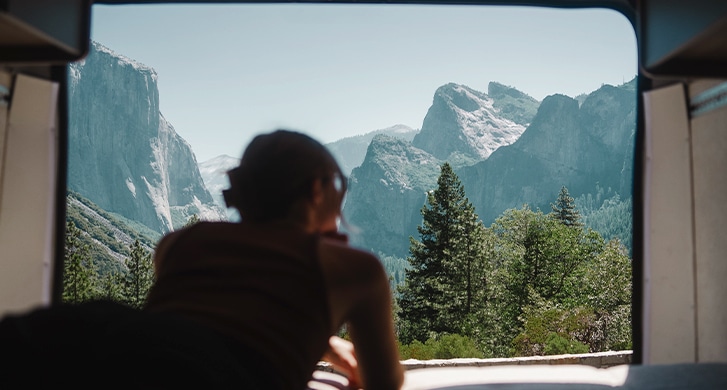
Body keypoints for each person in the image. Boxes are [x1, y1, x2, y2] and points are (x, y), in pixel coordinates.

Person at [143, 129, 404, 390]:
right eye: (336, 184)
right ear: (316, 190)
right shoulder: (356, 271)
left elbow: (222, 314)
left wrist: (323, 343)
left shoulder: (176, 245)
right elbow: (384, 383)